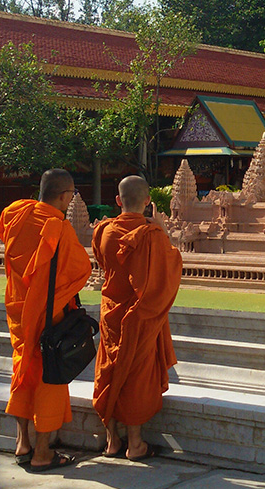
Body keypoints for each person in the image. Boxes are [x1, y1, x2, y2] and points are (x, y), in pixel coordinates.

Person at [0, 168, 91, 472]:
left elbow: (2, 231)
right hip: (47, 316)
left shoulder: (16, 213)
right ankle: (41, 453)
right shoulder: (59, 229)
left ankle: (22, 442)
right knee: (48, 378)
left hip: (18, 308)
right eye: (71, 195)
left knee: (22, 371)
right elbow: (80, 272)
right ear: (64, 197)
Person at [92, 175, 183, 462]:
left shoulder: (104, 231)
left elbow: (102, 263)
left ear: (118, 201)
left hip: (111, 314)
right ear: (147, 202)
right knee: (136, 376)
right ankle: (135, 444)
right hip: (140, 317)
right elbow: (168, 271)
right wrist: (163, 232)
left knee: (109, 370)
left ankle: (111, 441)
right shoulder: (152, 236)